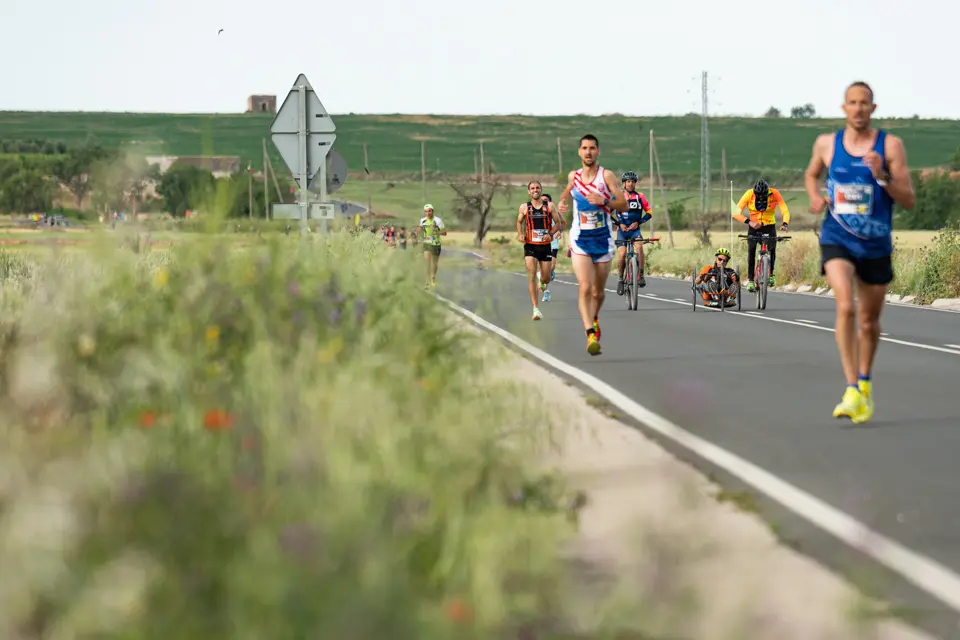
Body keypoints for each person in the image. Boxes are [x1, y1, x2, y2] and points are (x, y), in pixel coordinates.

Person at [804, 80, 915, 424]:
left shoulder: (890, 145)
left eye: (864, 103)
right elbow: (812, 174)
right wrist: (814, 196)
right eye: (852, 102)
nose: (858, 109)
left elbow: (908, 199)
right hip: (837, 235)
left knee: (869, 323)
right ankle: (851, 387)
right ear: (844, 108)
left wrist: (881, 174)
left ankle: (864, 383)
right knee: (844, 306)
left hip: (876, 242)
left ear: (873, 108)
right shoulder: (827, 143)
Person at [557, 134, 630, 356]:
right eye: (584, 148)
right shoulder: (574, 176)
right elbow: (567, 191)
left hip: (603, 239)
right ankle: (590, 334)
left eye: (592, 148)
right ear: (579, 152)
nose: (588, 152)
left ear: (598, 152)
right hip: (580, 239)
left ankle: (594, 318)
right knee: (585, 287)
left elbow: (624, 205)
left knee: (598, 292)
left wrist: (605, 201)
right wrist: (562, 203)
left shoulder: (606, 176)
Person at [732, 178, 790, 292]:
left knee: (772, 249)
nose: (762, 197)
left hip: (769, 226)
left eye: (764, 195)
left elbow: (785, 210)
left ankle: (771, 274)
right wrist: (749, 222)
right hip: (754, 226)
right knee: (751, 250)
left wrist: (785, 224)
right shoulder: (749, 194)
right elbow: (735, 213)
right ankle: (750, 280)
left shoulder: (775, 193)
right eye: (759, 195)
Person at [517, 181, 562, 320]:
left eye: (537, 188)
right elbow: (519, 221)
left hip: (545, 245)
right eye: (532, 188)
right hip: (530, 245)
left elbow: (558, 223)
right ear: (529, 192)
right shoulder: (524, 207)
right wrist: (520, 233)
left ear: (541, 190)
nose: (535, 190)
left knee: (545, 277)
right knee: (531, 273)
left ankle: (542, 282)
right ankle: (535, 309)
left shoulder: (549, 206)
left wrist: (551, 233)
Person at [614, 171, 652, 294]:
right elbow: (607, 212)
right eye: (628, 181)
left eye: (632, 182)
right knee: (622, 254)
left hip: (635, 231)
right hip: (622, 232)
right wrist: (620, 224)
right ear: (624, 184)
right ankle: (620, 279)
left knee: (640, 247)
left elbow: (649, 213)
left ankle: (640, 275)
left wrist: (639, 222)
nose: (630, 184)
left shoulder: (640, 196)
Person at [538, 193, 563, 302]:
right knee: (543, 269)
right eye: (542, 200)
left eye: (546, 200)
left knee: (551, 266)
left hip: (553, 242)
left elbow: (563, 223)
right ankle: (546, 292)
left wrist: (559, 232)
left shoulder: (555, 212)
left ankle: (550, 273)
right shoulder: (536, 213)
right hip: (540, 243)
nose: (544, 202)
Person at [419, 204, 447, 287]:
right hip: (427, 244)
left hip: (436, 244)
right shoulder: (422, 221)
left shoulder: (438, 220)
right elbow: (420, 230)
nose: (428, 213)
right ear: (424, 212)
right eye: (426, 211)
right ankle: (427, 280)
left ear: (432, 211)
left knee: (434, 263)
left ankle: (433, 277)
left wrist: (436, 232)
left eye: (429, 211)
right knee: (427, 262)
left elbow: (444, 233)